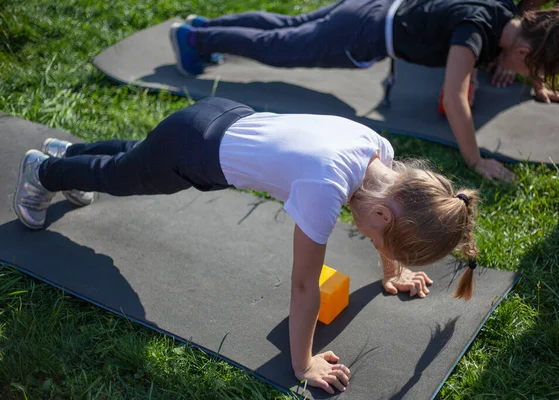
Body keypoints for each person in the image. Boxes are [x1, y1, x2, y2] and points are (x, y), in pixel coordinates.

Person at [14, 97, 480, 394]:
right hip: (195, 152)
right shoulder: (325, 189)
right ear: (384, 214)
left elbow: (389, 225)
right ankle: (42, 171)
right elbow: (303, 287)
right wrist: (303, 364)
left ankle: (67, 153)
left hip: (222, 115)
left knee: (137, 155)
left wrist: (392, 271)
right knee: (124, 176)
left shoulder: (379, 154)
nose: (371, 238)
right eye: (377, 238)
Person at [168, 1, 559, 183]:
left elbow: (519, 50)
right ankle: (194, 40)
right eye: (532, 71)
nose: (527, 77)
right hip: (362, 34)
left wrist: (542, 85)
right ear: (522, 50)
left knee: (286, 28)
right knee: (278, 47)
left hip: (370, 8)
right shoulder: (475, 33)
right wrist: (475, 162)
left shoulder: (501, 12)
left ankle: (204, 29)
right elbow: (454, 96)